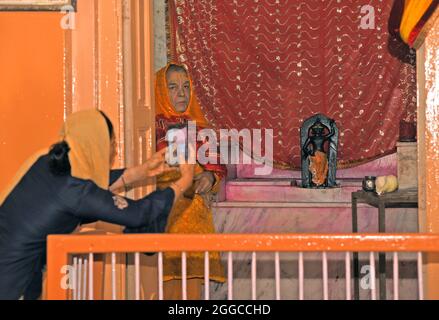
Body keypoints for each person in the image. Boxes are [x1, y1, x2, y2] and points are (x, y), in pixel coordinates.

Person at [0, 109, 195, 300]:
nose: (114, 151)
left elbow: (91, 186)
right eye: (112, 144)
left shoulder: (46, 163)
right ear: (97, 145)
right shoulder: (75, 191)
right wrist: (184, 182)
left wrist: (142, 171)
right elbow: (139, 214)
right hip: (13, 286)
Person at [155, 63, 227, 300]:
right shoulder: (151, 129)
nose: (182, 94)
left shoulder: (199, 127)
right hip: (167, 220)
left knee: (192, 294)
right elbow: (154, 171)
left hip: (195, 222)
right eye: (173, 87)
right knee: (164, 288)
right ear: (162, 92)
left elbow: (216, 168)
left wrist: (209, 176)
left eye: (186, 87)